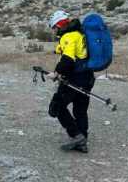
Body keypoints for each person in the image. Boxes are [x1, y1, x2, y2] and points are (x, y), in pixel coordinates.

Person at [46, 10, 95, 153]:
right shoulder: (80, 34)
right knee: (80, 109)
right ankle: (82, 141)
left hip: (75, 79)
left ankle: (76, 136)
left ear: (60, 24)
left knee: (57, 107)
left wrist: (56, 73)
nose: (54, 31)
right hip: (88, 77)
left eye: (54, 27)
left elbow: (68, 59)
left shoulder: (69, 36)